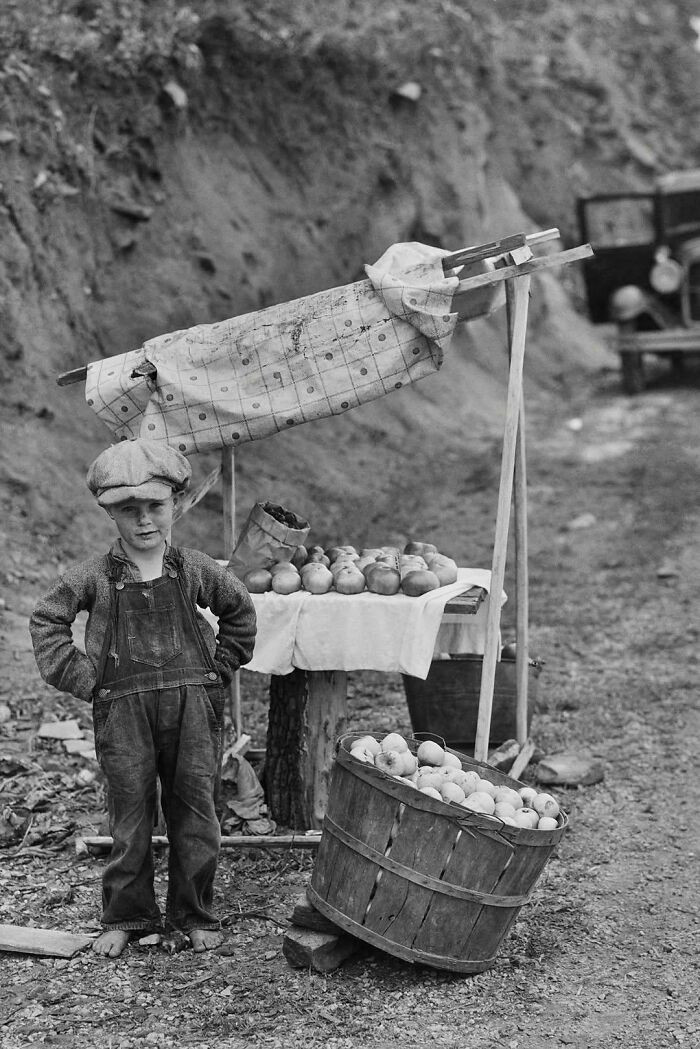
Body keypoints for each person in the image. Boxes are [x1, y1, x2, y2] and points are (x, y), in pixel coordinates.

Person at [30, 439, 257, 958]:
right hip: (122, 711)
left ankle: (193, 912)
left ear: (176, 503)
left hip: (192, 709)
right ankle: (127, 915)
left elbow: (240, 612)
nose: (145, 521)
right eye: (129, 510)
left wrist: (217, 669)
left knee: (196, 812)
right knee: (129, 816)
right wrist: (87, 680)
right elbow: (47, 621)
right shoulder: (94, 577)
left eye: (155, 506)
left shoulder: (196, 569)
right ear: (110, 514)